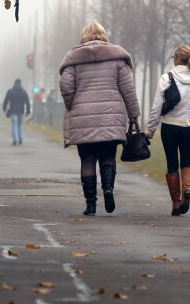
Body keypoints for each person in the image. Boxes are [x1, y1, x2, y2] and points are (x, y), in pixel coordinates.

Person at [59, 21, 140, 216]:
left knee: (87, 159)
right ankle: (108, 190)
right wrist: (133, 114)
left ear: (84, 35)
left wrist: (72, 105)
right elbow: (128, 90)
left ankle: (91, 204)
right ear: (103, 35)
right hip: (110, 117)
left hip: (82, 118)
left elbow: (66, 86)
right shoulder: (117, 58)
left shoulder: (73, 59)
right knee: (108, 156)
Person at [146, 45, 190, 216]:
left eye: (174, 56)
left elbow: (157, 106)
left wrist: (151, 129)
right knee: (187, 163)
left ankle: (175, 204)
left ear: (178, 59)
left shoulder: (167, 78)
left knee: (172, 163)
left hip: (170, 127)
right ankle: (187, 190)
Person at [2, 78, 31, 145]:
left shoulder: (10, 91)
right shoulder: (24, 92)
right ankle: (20, 138)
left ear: (14, 83)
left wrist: (4, 108)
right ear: (20, 83)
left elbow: (6, 100)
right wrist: (28, 111)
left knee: (14, 124)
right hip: (21, 111)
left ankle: (15, 140)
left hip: (13, 111)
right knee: (20, 124)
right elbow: (27, 102)